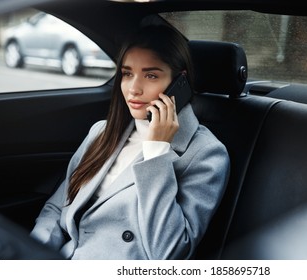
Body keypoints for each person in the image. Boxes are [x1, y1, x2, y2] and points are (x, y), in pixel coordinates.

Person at [30, 24, 230, 260]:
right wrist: (32, 255)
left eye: (151, 75)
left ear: (180, 82)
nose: (133, 89)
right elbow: (57, 208)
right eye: (127, 74)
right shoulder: (102, 132)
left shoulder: (206, 154)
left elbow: (169, 252)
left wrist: (156, 152)